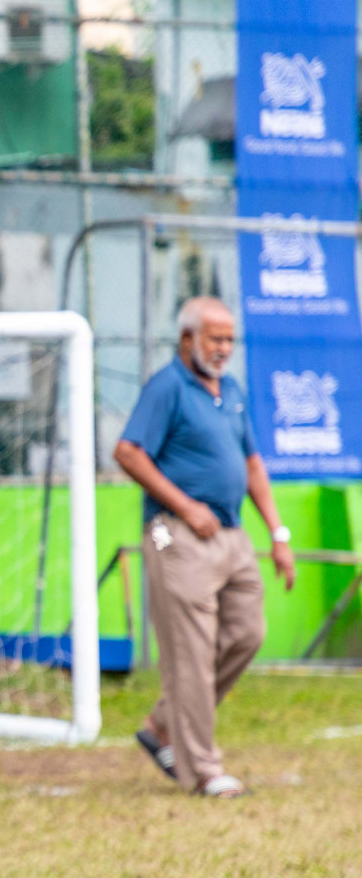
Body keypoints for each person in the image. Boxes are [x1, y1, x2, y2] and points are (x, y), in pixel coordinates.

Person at [116, 296, 296, 798]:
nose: (222, 348)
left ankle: (162, 724)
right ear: (187, 339)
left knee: (246, 632)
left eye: (228, 339)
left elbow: (253, 464)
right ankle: (205, 770)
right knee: (191, 653)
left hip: (232, 535)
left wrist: (278, 534)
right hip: (174, 532)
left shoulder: (232, 390)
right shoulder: (167, 387)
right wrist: (185, 505)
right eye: (214, 338)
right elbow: (128, 452)